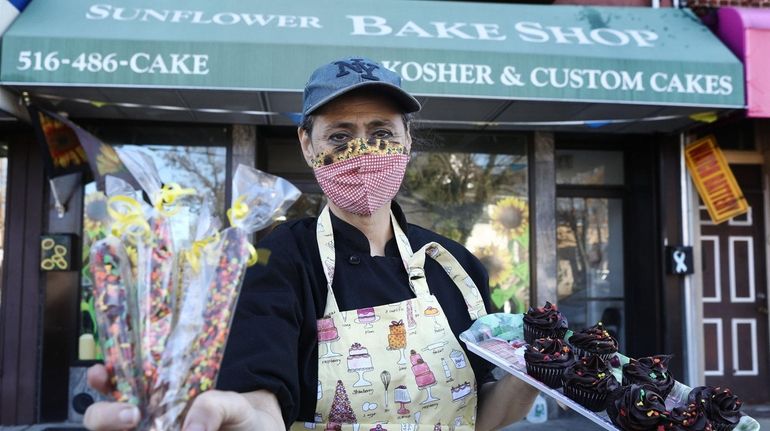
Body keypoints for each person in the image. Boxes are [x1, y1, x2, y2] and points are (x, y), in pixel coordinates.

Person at [84, 57, 538, 431]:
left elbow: (481, 413)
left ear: (407, 143)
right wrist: (247, 417)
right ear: (306, 144)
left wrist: (535, 375)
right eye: (339, 136)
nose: (363, 151)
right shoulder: (277, 264)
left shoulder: (454, 265)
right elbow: (260, 401)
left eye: (382, 133)